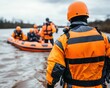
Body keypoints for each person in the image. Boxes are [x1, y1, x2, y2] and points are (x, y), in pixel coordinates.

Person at [46, 1, 110, 88]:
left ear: (69, 17)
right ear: (86, 16)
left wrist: (50, 84)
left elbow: (54, 67)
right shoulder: (103, 37)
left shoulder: (63, 40)